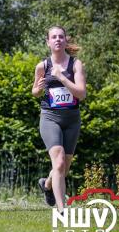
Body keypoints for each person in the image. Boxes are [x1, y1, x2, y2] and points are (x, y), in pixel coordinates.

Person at [32, 26, 86, 213]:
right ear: (48, 42)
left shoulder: (76, 65)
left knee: (64, 166)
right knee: (59, 162)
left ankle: (46, 185)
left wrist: (61, 77)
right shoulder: (43, 66)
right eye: (53, 37)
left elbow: (81, 93)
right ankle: (62, 209)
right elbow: (34, 91)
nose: (57, 39)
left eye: (61, 37)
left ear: (65, 40)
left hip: (72, 119)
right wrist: (38, 90)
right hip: (50, 117)